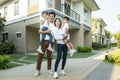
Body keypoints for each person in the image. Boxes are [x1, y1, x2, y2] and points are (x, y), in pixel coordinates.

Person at [35, 11, 56, 76]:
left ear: (54, 17)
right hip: (44, 41)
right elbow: (39, 31)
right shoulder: (45, 22)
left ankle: (49, 69)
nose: (51, 17)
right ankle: (37, 70)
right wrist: (46, 31)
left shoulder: (54, 25)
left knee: (49, 57)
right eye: (50, 16)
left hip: (51, 42)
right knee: (40, 56)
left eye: (52, 16)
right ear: (48, 16)